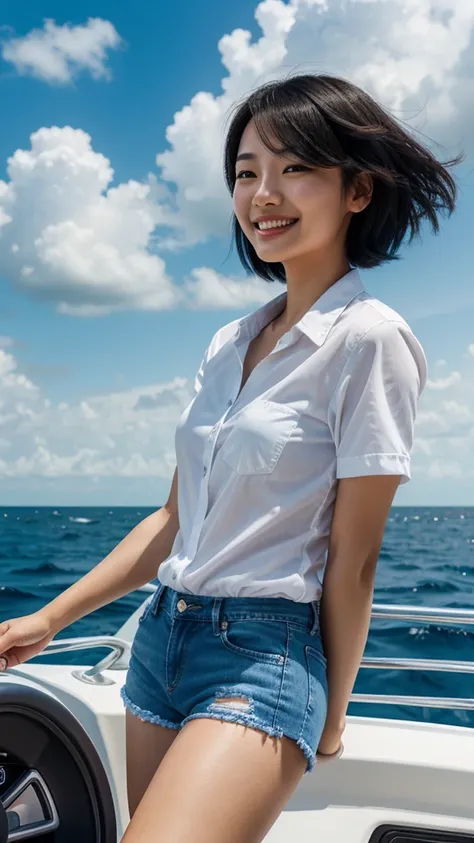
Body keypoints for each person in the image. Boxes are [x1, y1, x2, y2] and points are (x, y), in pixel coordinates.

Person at [0, 73, 463, 843]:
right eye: (247, 172)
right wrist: (49, 617)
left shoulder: (370, 339)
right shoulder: (229, 343)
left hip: (264, 656)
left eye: (296, 168)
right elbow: (174, 521)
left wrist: (332, 717)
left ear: (358, 190)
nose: (263, 194)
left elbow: (354, 557)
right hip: (159, 642)